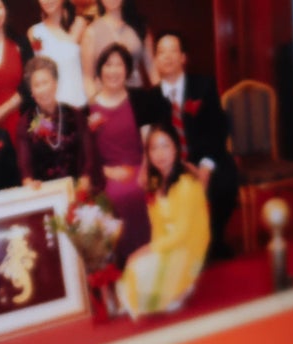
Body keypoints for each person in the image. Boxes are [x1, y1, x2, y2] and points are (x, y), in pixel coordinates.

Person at [150, 30, 238, 260]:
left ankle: (215, 238)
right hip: (172, 164)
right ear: (156, 60)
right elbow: (154, 140)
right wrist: (178, 165)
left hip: (207, 157)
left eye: (173, 51)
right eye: (161, 52)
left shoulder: (204, 86)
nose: (167, 57)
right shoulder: (152, 97)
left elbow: (219, 129)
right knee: (175, 192)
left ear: (183, 57)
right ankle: (188, 246)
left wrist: (205, 167)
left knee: (227, 182)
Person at [117, 123, 209, 318]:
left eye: (165, 146)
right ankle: (171, 286)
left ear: (176, 148)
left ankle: (185, 282)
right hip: (168, 243)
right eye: (154, 148)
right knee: (136, 269)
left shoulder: (186, 183)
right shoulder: (156, 182)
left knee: (140, 266)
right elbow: (157, 226)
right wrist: (154, 252)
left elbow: (182, 233)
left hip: (187, 244)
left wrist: (148, 250)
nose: (160, 154)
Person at [87, 42, 161, 267]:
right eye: (108, 65)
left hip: (141, 166)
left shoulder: (139, 100)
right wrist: (107, 171)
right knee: (115, 196)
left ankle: (150, 263)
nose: (113, 71)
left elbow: (150, 140)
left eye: (119, 65)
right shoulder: (88, 109)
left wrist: (147, 169)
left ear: (128, 71)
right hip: (107, 174)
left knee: (141, 192)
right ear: (100, 71)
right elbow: (87, 156)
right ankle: (120, 267)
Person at [16, 55, 89, 184]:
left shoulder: (75, 115)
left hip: (77, 186)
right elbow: (25, 166)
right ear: (32, 91)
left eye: (46, 82)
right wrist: (29, 182)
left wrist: (84, 180)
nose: (43, 90)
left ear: (55, 84)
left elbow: (88, 156)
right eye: (37, 85)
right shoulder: (25, 122)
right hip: (44, 192)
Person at [0, 0, 33, 146]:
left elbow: (30, 81)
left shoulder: (21, 42)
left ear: (6, 10)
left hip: (22, 116)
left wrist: (3, 110)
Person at [81, 0, 156, 101]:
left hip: (134, 96)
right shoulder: (91, 32)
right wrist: (95, 106)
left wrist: (162, 98)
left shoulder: (140, 27)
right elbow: (87, 78)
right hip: (103, 99)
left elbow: (152, 68)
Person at [28, 0, 87, 109]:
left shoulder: (79, 24)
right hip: (51, 108)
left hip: (78, 104)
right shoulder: (34, 33)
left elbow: (88, 71)